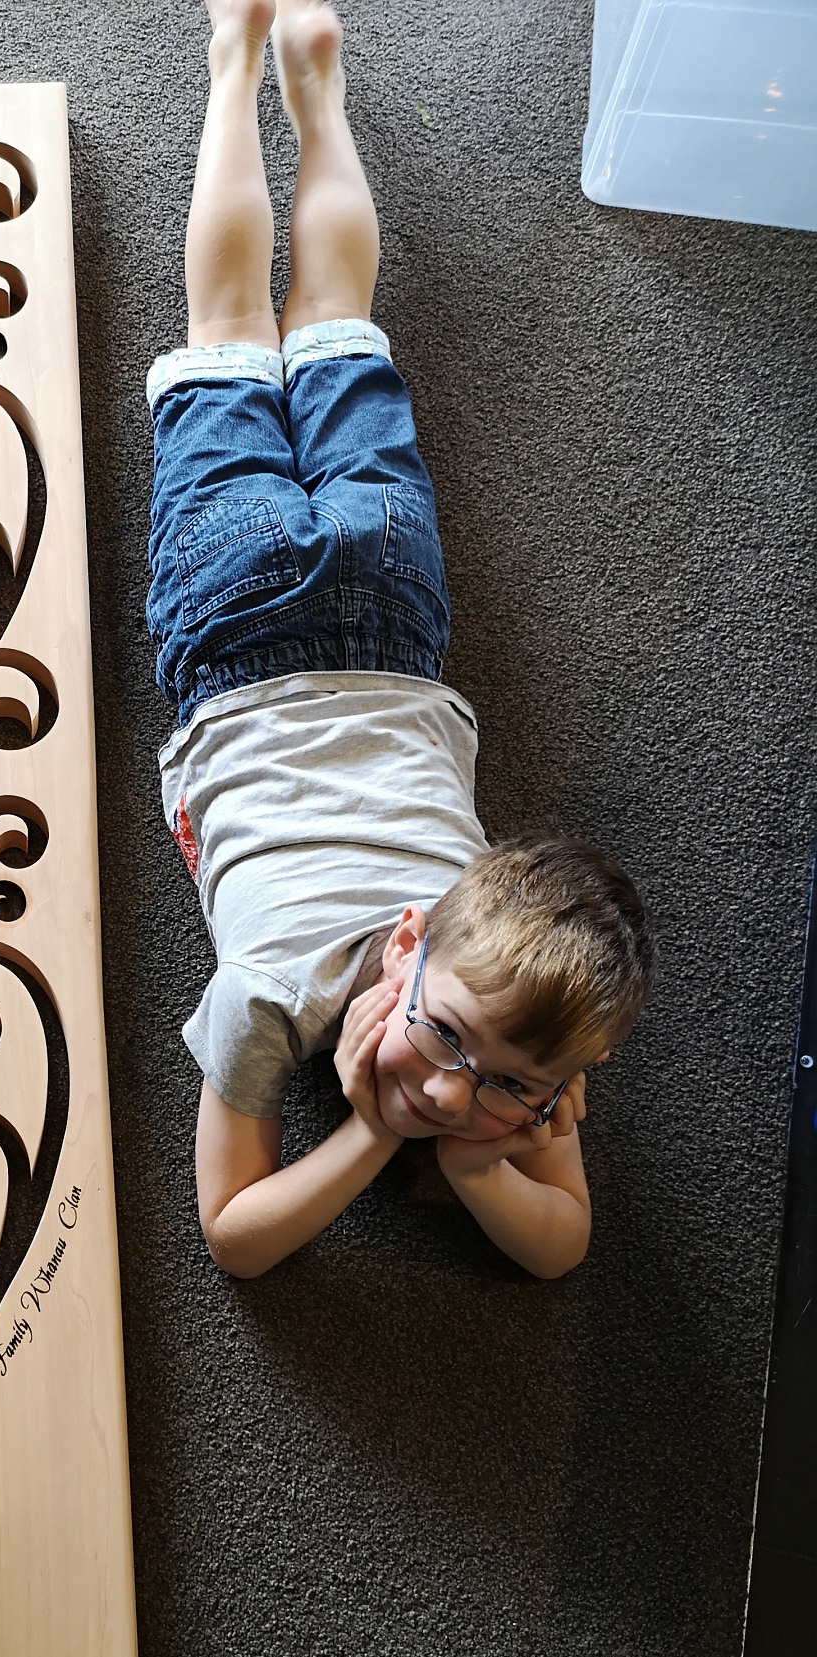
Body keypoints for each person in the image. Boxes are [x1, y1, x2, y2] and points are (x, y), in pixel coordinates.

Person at [147, 0, 654, 1281]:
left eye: (511, 1087)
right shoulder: (274, 991)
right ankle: (235, 70)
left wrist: (450, 1143)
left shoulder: (491, 991)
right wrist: (404, 1135)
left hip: (392, 610)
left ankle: (303, 86)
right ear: (407, 940)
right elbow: (237, 1237)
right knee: (230, 331)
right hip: (234, 629)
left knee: (326, 318)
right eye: (445, 1039)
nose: (449, 1089)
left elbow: (555, 1245)